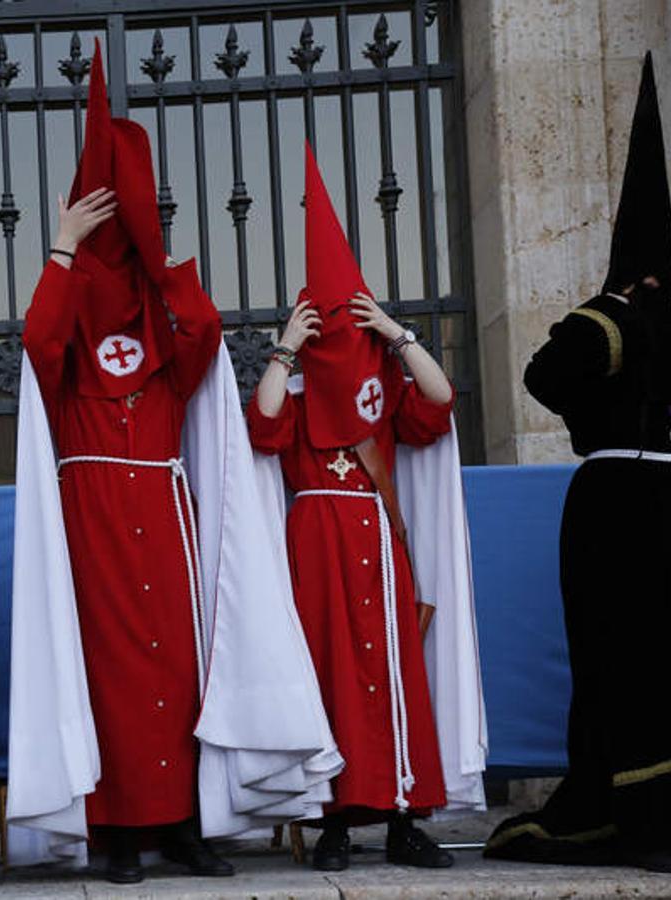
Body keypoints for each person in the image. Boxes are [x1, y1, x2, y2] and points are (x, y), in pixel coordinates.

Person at [7, 40, 341, 884]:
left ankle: (190, 824)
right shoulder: (73, 333)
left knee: (182, 665)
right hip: (90, 513)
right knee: (110, 670)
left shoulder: (160, 336)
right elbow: (39, 345)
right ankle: (118, 832)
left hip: (164, 510)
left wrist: (156, 259)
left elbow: (201, 335)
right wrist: (59, 248)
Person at [247, 144, 484, 872]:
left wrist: (397, 333)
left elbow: (439, 402)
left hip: (377, 539)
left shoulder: (384, 381)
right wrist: (285, 351)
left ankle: (406, 817)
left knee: (393, 676)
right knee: (328, 678)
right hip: (314, 541)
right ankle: (335, 825)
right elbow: (261, 428)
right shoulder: (291, 387)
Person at [485, 52, 671, 874]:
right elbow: (542, 374)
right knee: (628, 662)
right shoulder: (603, 321)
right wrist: (618, 318)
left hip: (668, 497)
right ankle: (641, 823)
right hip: (614, 505)